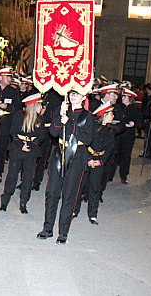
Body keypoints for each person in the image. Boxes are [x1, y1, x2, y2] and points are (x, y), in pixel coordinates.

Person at [37, 90, 94, 245]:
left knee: (69, 194)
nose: (73, 96)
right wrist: (60, 117)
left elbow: (87, 139)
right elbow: (54, 132)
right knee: (52, 192)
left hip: (76, 156)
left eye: (77, 94)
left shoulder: (87, 116)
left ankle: (63, 231)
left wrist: (69, 122)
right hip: (59, 153)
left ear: (83, 97)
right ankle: (47, 228)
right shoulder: (62, 110)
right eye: (72, 93)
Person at [1, 93, 48, 213]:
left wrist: (31, 145)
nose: (41, 107)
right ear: (33, 105)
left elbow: (42, 136)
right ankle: (5, 200)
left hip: (31, 151)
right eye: (39, 105)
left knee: (28, 177)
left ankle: (23, 202)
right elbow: (13, 132)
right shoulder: (19, 115)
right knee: (12, 175)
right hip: (17, 148)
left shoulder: (40, 119)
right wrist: (21, 145)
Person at [81, 102, 115, 225]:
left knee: (95, 188)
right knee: (81, 185)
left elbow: (110, 148)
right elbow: (85, 144)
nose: (113, 116)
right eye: (111, 114)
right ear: (104, 115)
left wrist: (101, 161)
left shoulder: (110, 130)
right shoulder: (92, 127)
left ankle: (93, 214)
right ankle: (75, 210)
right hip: (87, 159)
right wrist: (89, 159)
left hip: (99, 162)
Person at [108, 88, 143, 184]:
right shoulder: (118, 107)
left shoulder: (135, 109)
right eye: (122, 96)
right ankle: (110, 174)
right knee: (115, 154)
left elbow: (141, 123)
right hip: (118, 133)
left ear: (130, 98)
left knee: (126, 155)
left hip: (128, 134)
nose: (122, 98)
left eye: (125, 96)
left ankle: (124, 175)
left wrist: (135, 124)